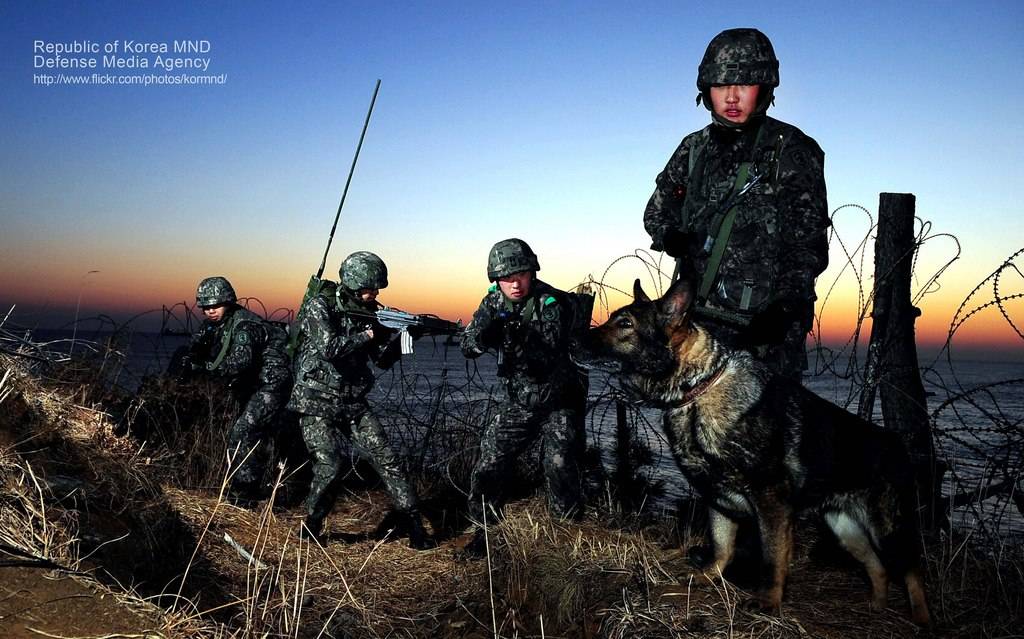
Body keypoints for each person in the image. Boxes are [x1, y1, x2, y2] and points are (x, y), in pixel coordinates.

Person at [643, 27, 829, 381]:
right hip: (697, 328)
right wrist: (671, 237)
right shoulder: (693, 148)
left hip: (763, 332)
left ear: (765, 89)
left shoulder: (792, 150)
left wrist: (783, 310)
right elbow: (656, 211)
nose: (731, 96)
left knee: (763, 430)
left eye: (744, 84)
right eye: (721, 85)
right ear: (705, 90)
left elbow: (806, 247)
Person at [287, 251, 433, 549]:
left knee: (387, 458)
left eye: (377, 288)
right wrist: (371, 333)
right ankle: (312, 525)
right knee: (330, 464)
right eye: (370, 288)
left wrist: (408, 337)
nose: (375, 293)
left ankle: (414, 525)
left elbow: (380, 360)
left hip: (352, 401)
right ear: (353, 284)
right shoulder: (321, 306)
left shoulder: (372, 312)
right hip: (316, 400)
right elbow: (330, 348)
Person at [460, 238, 587, 554]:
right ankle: (484, 532)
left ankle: (566, 537)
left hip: (558, 397)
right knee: (490, 461)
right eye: (506, 278)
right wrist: (483, 339)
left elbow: (547, 358)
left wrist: (521, 341)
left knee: (558, 465)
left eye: (521, 275)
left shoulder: (551, 304)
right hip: (522, 400)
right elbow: (468, 344)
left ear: (532, 272)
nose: (514, 284)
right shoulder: (492, 303)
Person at [183, 276, 293, 505]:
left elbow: (239, 362)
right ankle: (257, 489)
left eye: (216, 305)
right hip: (255, 384)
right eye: (206, 307)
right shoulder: (216, 324)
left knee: (242, 434)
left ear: (229, 302)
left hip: (272, 384)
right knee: (256, 437)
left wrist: (201, 368)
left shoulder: (245, 326)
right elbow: (196, 347)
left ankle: (243, 496)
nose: (210, 311)